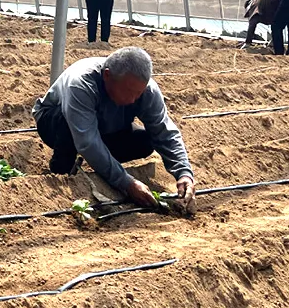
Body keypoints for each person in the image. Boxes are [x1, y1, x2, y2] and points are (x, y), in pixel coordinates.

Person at [32, 47, 195, 211]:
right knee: (69, 126)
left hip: (105, 127)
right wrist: (127, 183)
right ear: (107, 75)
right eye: (128, 92)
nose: (133, 100)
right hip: (55, 123)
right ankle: (62, 173)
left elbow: (164, 131)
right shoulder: (81, 82)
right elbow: (87, 141)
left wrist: (184, 173)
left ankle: (100, 162)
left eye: (138, 94)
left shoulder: (147, 90)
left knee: (145, 140)